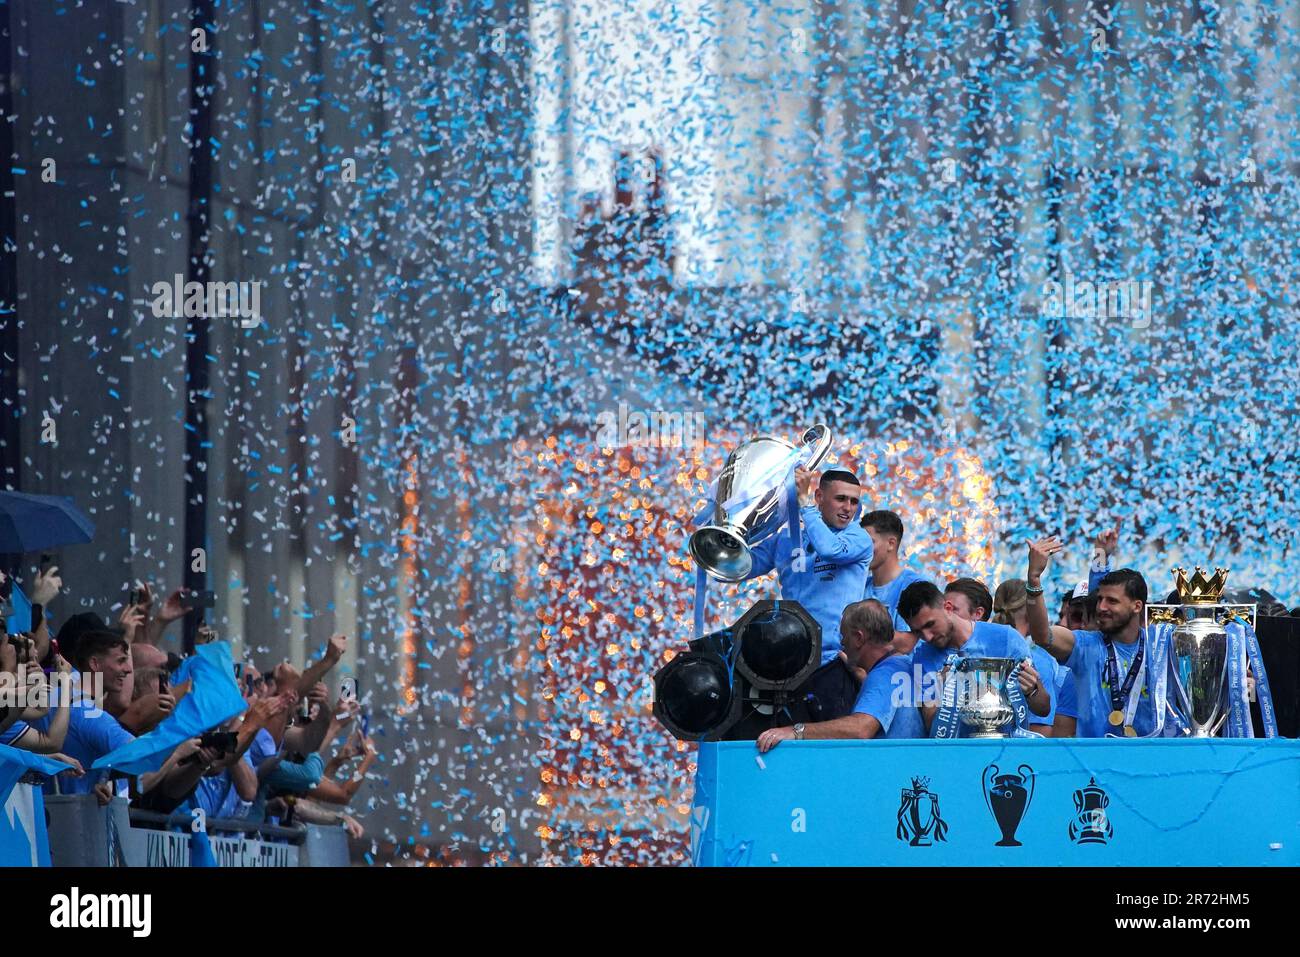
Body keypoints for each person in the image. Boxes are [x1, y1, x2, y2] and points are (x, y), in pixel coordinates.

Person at [1024, 537, 1166, 738]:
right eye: (1100, 600)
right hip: (1095, 763)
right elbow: (1042, 636)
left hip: (1150, 762)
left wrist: (1102, 554)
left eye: (1112, 601)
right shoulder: (1087, 646)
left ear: (1137, 606)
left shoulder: (1159, 647)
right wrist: (1034, 578)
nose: (1101, 607)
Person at [745, 468, 873, 664]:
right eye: (841, 499)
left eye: (854, 501)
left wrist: (804, 505)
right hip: (789, 656)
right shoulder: (786, 539)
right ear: (819, 496)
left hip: (835, 659)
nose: (848, 507)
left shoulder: (858, 537)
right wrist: (730, 533)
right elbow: (739, 567)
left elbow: (830, 549)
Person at [756, 599, 922, 750]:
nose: (841, 643)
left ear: (858, 638)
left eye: (844, 636)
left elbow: (861, 729)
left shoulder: (883, 674)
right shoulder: (902, 664)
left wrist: (796, 731)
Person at [897, 580, 1049, 733]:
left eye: (930, 624)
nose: (927, 637)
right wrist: (943, 690)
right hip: (957, 753)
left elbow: (1043, 709)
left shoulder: (1006, 638)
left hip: (1005, 749)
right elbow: (931, 727)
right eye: (918, 632)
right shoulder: (923, 656)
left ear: (948, 608)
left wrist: (1032, 691)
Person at [988, 578, 1060, 736]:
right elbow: (1042, 729)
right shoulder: (1038, 660)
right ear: (1031, 611)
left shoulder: (982, 651)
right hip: (1020, 755)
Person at [860, 509, 928, 651]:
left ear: (891, 543)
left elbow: (910, 643)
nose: (861, 548)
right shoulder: (860, 586)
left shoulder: (914, 586)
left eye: (868, 542)